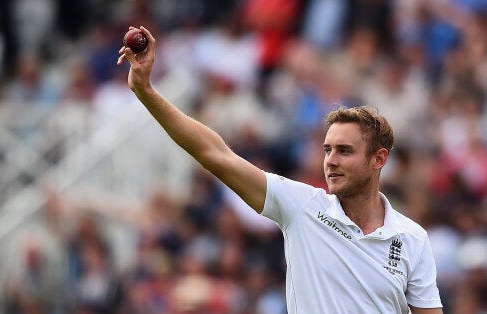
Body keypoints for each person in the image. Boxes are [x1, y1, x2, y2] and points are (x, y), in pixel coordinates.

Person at [117, 26, 443, 314]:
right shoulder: (302, 207)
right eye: (327, 150)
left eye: (345, 151)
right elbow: (216, 154)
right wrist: (145, 91)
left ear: (379, 159)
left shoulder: (412, 239)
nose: (330, 160)